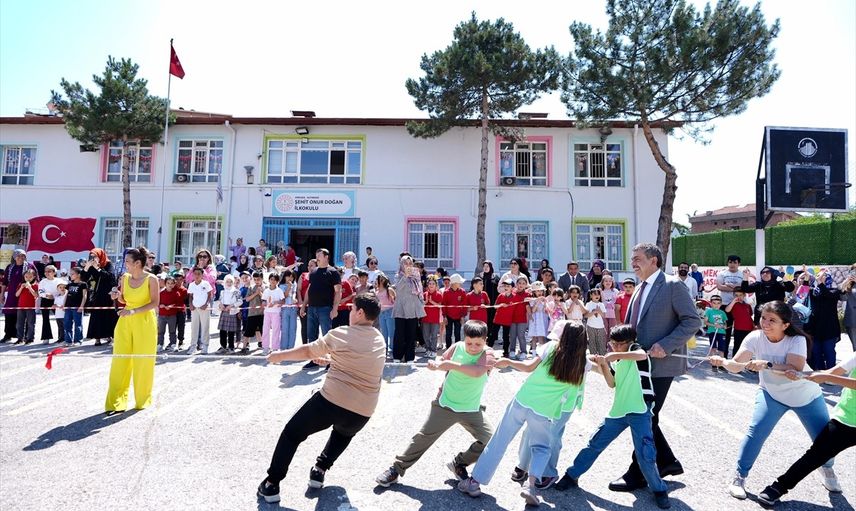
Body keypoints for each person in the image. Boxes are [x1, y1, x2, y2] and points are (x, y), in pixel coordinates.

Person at [457, 321, 609, 506]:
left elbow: (528, 367)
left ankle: (474, 482)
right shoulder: (583, 363)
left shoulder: (551, 348)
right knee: (541, 448)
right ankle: (530, 486)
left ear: (564, 336)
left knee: (499, 440)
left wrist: (508, 362)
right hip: (545, 411)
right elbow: (603, 374)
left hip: (523, 400)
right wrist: (605, 363)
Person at [258, 293, 386, 503]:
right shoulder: (379, 339)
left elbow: (308, 350)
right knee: (343, 434)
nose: (350, 313)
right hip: (363, 410)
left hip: (332, 401)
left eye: (353, 309)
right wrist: (330, 360)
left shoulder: (342, 333)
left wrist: (279, 356)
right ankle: (319, 471)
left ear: (361, 313)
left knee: (291, 434)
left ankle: (272, 484)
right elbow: (358, 361)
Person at [710, 300, 841, 499]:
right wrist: (723, 362)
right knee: (756, 432)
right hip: (771, 394)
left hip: (806, 396)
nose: (765, 323)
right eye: (763, 318)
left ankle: (827, 468)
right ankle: (739, 476)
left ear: (785, 325)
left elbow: (794, 368)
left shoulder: (797, 339)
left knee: (825, 440)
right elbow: (737, 365)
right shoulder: (754, 337)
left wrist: (766, 364)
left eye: (772, 320)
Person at [608, 243, 700, 493]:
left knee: (643, 416)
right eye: (632, 258)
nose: (633, 263)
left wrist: (666, 345)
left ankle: (638, 473)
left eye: (638, 258)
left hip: (660, 363)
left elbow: (692, 321)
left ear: (654, 261)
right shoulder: (640, 287)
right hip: (638, 363)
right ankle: (667, 462)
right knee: (646, 415)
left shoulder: (672, 285)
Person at [554, 324, 672, 510]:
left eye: (618, 344)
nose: (614, 347)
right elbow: (612, 383)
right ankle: (571, 475)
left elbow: (641, 355)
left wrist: (612, 356)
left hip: (640, 410)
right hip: (618, 411)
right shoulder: (619, 360)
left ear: (630, 342)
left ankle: (659, 489)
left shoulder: (636, 351)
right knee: (595, 444)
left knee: (645, 454)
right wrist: (603, 364)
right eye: (612, 344)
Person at [375, 320, 496, 488]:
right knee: (423, 438)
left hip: (471, 408)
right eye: (469, 343)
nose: (473, 347)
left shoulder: (488, 353)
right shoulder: (457, 347)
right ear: (464, 338)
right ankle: (396, 469)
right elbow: (442, 361)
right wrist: (436, 365)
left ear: (485, 340)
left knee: (490, 440)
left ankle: (459, 463)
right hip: (445, 404)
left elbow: (477, 372)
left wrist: (451, 365)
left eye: (478, 344)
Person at [757, 353, 856, 506]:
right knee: (815, 456)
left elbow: (833, 377)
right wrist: (801, 374)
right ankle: (779, 487)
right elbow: (832, 372)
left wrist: (826, 377)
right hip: (846, 420)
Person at [105, 246, 159, 415]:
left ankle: (142, 400)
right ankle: (116, 402)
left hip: (144, 322)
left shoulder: (151, 279)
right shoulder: (125, 277)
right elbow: (123, 299)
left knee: (143, 362)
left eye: (127, 261)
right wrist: (116, 297)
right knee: (120, 361)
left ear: (137, 263)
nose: (125, 264)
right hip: (125, 322)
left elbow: (154, 303)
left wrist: (134, 311)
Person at [300, 249, 342, 370]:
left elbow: (338, 291)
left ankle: (330, 361)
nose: (317, 257)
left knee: (327, 336)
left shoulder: (333, 272)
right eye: (316, 255)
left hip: (325, 308)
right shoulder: (313, 272)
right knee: (311, 336)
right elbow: (309, 289)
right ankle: (314, 360)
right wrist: (303, 305)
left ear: (326, 257)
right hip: (312, 308)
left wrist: (335, 308)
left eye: (319, 255)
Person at [804, 269, 844, 370]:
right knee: (816, 352)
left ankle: (831, 373)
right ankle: (821, 373)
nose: (821, 277)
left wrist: (820, 283)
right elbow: (803, 292)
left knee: (829, 352)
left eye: (824, 276)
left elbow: (827, 294)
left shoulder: (834, 291)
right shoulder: (814, 291)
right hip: (815, 328)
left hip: (830, 328)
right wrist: (806, 279)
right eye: (819, 275)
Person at [392, 255, 425, 363]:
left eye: (410, 263)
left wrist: (421, 302)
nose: (408, 265)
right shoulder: (398, 275)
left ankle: (410, 357)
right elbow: (398, 288)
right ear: (401, 264)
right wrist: (405, 276)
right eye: (406, 263)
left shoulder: (416, 275)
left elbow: (419, 290)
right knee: (399, 334)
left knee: (411, 334)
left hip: (412, 308)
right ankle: (397, 356)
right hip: (400, 308)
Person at [81, 248, 118, 345]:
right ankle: (97, 338)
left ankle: (110, 336)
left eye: (95, 256)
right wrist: (86, 267)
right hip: (97, 294)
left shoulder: (108, 264)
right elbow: (83, 278)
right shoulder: (91, 266)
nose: (93, 258)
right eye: (91, 256)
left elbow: (110, 277)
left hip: (108, 294)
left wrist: (98, 268)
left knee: (108, 316)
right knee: (97, 316)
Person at [2, 250, 37, 343]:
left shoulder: (30, 266)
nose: (21, 258)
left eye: (23, 256)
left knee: (26, 316)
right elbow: (5, 282)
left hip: (25, 294)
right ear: (14, 256)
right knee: (9, 313)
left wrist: (33, 290)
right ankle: (8, 334)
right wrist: (2, 295)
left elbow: (36, 279)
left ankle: (26, 337)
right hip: (12, 294)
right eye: (18, 256)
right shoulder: (10, 267)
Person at [716, 254, 743, 347]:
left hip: (739, 304)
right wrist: (736, 287)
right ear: (727, 263)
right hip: (725, 304)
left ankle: (737, 353)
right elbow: (720, 287)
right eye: (730, 262)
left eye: (735, 262)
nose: (732, 264)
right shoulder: (721, 274)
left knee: (739, 330)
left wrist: (729, 285)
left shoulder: (742, 274)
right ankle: (724, 352)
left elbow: (743, 288)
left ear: (739, 264)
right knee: (725, 330)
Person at [186, 267, 214, 355]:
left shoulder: (206, 283)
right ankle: (193, 346)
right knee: (194, 327)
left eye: (199, 274)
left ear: (202, 275)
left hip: (204, 308)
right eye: (195, 274)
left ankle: (205, 346)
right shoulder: (191, 285)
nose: (197, 275)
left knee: (205, 327)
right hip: (195, 308)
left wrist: (206, 304)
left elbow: (210, 295)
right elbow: (190, 296)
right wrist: (190, 304)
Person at [239, 272, 264, 354]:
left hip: (262, 313)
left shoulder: (265, 287)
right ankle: (244, 347)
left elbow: (266, 299)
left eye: (258, 279)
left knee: (263, 331)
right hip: (252, 313)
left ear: (262, 279)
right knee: (248, 331)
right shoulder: (251, 287)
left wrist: (260, 293)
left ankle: (265, 346)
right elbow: (247, 299)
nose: (257, 281)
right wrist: (256, 293)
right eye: (255, 279)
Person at [217, 274, 243, 353]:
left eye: (231, 281)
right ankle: (223, 346)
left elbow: (240, 301)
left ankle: (231, 347)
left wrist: (231, 306)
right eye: (227, 281)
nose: (229, 283)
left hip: (232, 311)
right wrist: (221, 305)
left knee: (231, 331)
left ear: (233, 282)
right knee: (222, 330)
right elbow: (220, 300)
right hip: (224, 311)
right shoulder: (222, 291)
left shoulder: (236, 291)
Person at [157, 275, 183, 351]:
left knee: (172, 331)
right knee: (161, 331)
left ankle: (173, 344)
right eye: (168, 283)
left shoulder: (176, 293)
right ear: (165, 284)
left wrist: (172, 306)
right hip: (162, 315)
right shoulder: (161, 293)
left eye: (172, 283)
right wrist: (160, 305)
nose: (170, 285)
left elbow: (178, 303)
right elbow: (157, 303)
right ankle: (160, 344)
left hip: (172, 315)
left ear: (174, 284)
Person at [725, 290, 754, 357]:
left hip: (749, 328)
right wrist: (733, 301)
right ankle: (735, 359)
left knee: (748, 346)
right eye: (736, 295)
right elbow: (727, 310)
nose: (738, 297)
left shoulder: (747, 305)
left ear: (744, 295)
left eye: (740, 295)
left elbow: (749, 316)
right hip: (738, 328)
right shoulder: (733, 304)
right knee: (737, 345)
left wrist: (753, 326)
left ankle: (747, 359)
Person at [261, 273, 285, 355]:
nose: (273, 281)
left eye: (275, 280)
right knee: (265, 330)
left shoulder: (279, 291)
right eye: (271, 279)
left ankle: (275, 348)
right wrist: (264, 303)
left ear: (277, 281)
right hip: (267, 312)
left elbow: (283, 301)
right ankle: (265, 347)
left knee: (276, 330)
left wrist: (275, 303)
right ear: (269, 280)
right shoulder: (266, 290)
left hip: (276, 312)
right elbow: (263, 300)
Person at [478, 261, 500, 345]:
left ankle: (491, 337)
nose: (486, 268)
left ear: (490, 267)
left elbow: (499, 290)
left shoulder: (495, 278)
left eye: (487, 266)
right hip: (482, 303)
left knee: (492, 320)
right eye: (484, 266)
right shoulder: (479, 277)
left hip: (492, 303)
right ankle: (482, 336)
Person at [442, 274, 467, 348]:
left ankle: (457, 348)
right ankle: (448, 348)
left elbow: (464, 305)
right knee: (448, 334)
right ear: (455, 283)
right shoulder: (446, 292)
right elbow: (444, 305)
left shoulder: (462, 292)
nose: (461, 284)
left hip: (459, 316)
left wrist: (463, 316)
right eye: (459, 282)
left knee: (457, 333)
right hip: (448, 316)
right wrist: (444, 316)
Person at [64, 267, 88, 345]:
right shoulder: (69, 284)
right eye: (70, 274)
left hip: (77, 307)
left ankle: (78, 340)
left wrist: (81, 306)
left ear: (78, 275)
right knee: (67, 324)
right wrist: (64, 305)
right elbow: (66, 295)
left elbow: (84, 296)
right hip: (68, 307)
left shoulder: (83, 284)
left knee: (78, 324)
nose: (70, 275)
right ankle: (68, 340)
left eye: (72, 274)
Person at [14, 268, 38, 344]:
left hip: (31, 307)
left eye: (30, 277)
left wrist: (30, 287)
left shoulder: (35, 285)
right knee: (19, 324)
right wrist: (21, 287)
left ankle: (30, 338)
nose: (28, 278)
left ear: (34, 277)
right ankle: (20, 338)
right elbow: (16, 295)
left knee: (30, 323)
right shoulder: (21, 284)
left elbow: (36, 295)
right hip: (21, 307)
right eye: (26, 277)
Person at [704, 295, 728, 368]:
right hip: (712, 331)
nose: (716, 305)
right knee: (713, 348)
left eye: (718, 303)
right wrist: (714, 325)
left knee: (721, 349)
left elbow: (725, 323)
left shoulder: (722, 312)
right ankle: (713, 364)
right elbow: (705, 322)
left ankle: (721, 364)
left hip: (721, 332)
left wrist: (724, 326)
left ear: (721, 304)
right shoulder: (709, 311)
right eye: (714, 303)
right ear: (711, 303)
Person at [509, 276, 530, 360]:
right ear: (516, 284)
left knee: (521, 336)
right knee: (512, 336)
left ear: (526, 285)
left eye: (523, 283)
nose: (521, 285)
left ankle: (524, 351)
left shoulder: (528, 294)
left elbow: (529, 307)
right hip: (512, 318)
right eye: (519, 283)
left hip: (522, 319)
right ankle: (512, 350)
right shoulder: (512, 292)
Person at [376, 273, 396, 357]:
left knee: (391, 332)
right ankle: (385, 349)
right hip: (381, 313)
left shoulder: (389, 290)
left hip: (389, 312)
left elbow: (395, 300)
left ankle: (392, 349)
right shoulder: (376, 290)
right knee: (384, 332)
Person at [421, 277, 443, 358]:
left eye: (433, 284)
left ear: (436, 285)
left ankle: (433, 350)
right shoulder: (424, 294)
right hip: (425, 318)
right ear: (427, 285)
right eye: (430, 283)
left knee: (434, 336)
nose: (431, 285)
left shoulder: (439, 294)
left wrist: (432, 302)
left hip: (435, 319)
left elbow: (440, 305)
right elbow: (420, 305)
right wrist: (426, 302)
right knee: (426, 336)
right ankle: (428, 350)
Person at [493, 280, 515, 358]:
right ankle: (488, 350)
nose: (506, 287)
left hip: (507, 320)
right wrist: (501, 305)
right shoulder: (500, 296)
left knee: (505, 337)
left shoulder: (515, 297)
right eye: (505, 286)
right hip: (498, 319)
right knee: (493, 335)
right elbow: (495, 307)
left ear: (512, 288)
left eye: (508, 286)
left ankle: (506, 352)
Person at [37, 264, 59, 342]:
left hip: (56, 300)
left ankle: (62, 337)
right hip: (45, 300)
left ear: (54, 272)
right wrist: (46, 295)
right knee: (45, 319)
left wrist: (54, 296)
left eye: (49, 271)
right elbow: (40, 291)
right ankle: (46, 337)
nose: (47, 273)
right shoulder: (42, 281)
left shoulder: (59, 281)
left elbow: (62, 291)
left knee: (59, 319)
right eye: (45, 271)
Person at [279, 269, 298, 351]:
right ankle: (283, 348)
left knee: (293, 328)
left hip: (293, 308)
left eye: (292, 277)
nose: (290, 278)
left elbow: (294, 293)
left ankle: (291, 348)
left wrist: (294, 299)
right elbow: (284, 296)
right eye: (288, 276)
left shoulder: (294, 284)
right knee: (285, 328)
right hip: (285, 308)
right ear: (285, 277)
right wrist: (289, 287)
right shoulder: (281, 286)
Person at [526, 281, 549, 351]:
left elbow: (546, 310)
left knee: (542, 337)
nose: (540, 292)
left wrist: (545, 302)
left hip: (543, 320)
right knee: (534, 337)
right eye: (537, 291)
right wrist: (538, 301)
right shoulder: (532, 300)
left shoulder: (545, 300)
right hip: (535, 320)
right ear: (534, 292)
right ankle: (533, 353)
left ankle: (542, 352)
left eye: (541, 291)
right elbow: (533, 310)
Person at [585, 288, 608, 355]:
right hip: (591, 326)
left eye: (598, 294)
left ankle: (602, 357)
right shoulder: (588, 304)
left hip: (600, 326)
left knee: (601, 343)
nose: (597, 296)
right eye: (595, 294)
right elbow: (586, 315)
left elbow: (604, 315)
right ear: (591, 296)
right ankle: (593, 357)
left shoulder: (601, 304)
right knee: (592, 343)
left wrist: (599, 311)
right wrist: (594, 312)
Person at [841, 266, 856, 350]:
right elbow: (842, 298)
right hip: (851, 320)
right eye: (853, 272)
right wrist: (844, 284)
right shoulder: (849, 285)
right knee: (855, 346)